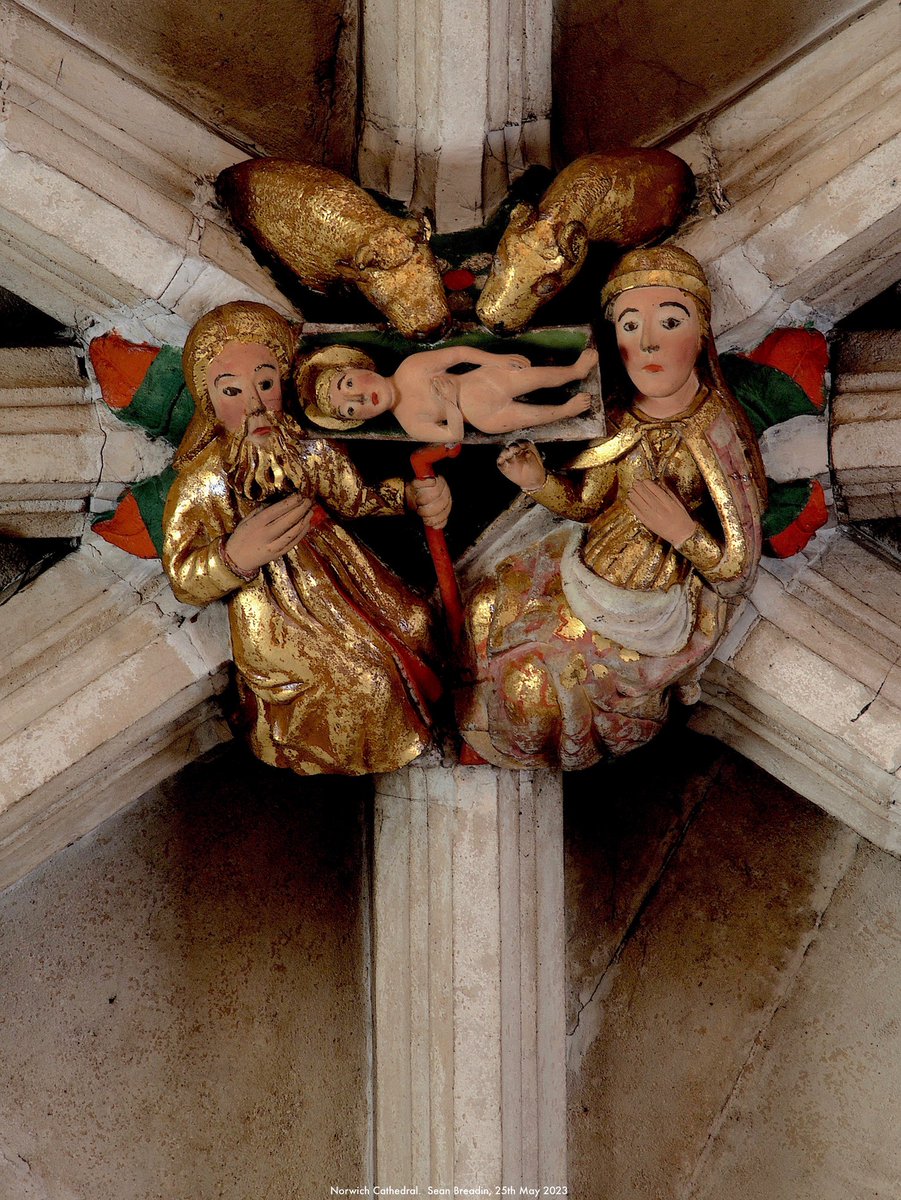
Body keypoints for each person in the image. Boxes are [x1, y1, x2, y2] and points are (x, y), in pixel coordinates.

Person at [457, 246, 766, 770]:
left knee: (541, 689)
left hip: (645, 607)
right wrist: (539, 483)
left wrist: (682, 531)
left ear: (702, 336)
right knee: (486, 612)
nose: (647, 341)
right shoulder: (621, 420)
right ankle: (478, 722)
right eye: (629, 324)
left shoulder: (714, 431)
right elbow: (588, 504)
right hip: (576, 571)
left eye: (670, 321)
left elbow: (737, 568)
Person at [162, 301, 452, 776]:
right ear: (209, 402)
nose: (254, 404)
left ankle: (425, 713)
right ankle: (336, 751)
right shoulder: (203, 481)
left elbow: (356, 500)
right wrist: (236, 555)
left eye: (266, 383)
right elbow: (183, 576)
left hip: (342, 572)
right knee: (367, 681)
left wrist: (409, 499)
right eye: (231, 390)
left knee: (418, 623)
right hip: (273, 608)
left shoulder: (309, 448)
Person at [297, 343, 598, 441]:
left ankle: (574, 371)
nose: (359, 398)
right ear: (358, 420)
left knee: (525, 377)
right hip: (482, 415)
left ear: (361, 368)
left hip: (481, 382)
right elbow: (454, 436)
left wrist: (495, 360)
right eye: (350, 409)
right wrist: (451, 403)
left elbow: (458, 354)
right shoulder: (410, 423)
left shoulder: (410, 367)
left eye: (348, 384)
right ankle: (564, 411)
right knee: (524, 417)